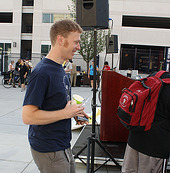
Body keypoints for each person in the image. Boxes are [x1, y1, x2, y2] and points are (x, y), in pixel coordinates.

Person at [22, 19, 89, 173]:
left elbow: (58, 102)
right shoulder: (41, 73)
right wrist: (66, 113)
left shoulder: (60, 68)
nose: (78, 47)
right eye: (76, 42)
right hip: (49, 149)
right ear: (60, 39)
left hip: (62, 144)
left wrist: (75, 113)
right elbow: (27, 116)